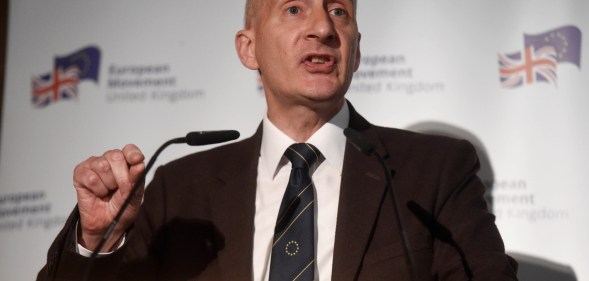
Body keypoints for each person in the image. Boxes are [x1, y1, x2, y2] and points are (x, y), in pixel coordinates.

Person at [37, 0, 518, 280]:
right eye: (294, 8)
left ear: (356, 52)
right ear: (249, 49)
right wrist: (96, 242)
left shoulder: (433, 173)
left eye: (339, 12)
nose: (324, 29)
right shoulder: (181, 187)